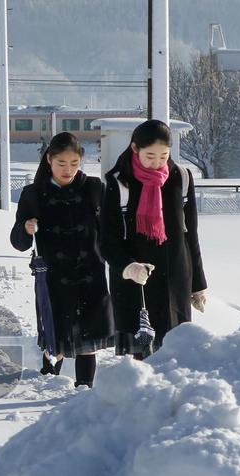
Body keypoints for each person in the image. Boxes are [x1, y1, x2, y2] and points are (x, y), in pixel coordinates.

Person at [10, 132, 113, 388]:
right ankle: (47, 383)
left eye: (74, 164)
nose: (68, 170)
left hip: (91, 272)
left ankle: (84, 389)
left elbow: (111, 231)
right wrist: (26, 228)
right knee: (55, 336)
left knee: (88, 338)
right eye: (61, 164)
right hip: (54, 277)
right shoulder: (33, 194)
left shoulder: (94, 189)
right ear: (49, 160)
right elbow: (18, 242)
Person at [100, 119, 208, 359]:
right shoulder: (119, 183)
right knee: (140, 359)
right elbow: (107, 241)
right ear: (135, 148)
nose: (157, 163)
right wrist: (128, 267)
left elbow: (190, 234)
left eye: (163, 156)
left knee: (175, 356)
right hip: (135, 283)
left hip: (175, 279)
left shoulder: (181, 177)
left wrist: (198, 283)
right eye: (150, 156)